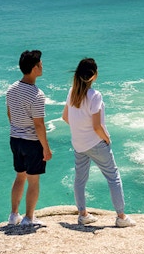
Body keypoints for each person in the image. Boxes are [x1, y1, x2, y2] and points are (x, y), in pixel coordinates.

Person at [62, 58, 135, 227]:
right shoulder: (95, 96)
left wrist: (80, 130)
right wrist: (106, 138)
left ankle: (83, 214)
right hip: (95, 143)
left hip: (78, 144)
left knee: (80, 179)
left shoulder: (72, 92)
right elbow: (97, 126)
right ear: (94, 75)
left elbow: (65, 117)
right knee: (113, 177)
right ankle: (121, 217)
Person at [7, 49, 52, 226]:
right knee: (33, 181)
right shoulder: (37, 95)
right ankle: (29, 217)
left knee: (20, 176)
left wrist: (17, 129)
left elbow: (10, 113)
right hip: (32, 142)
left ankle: (13, 215)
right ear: (34, 68)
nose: (42, 66)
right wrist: (46, 148)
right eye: (40, 64)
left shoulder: (11, 89)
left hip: (15, 139)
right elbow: (39, 125)